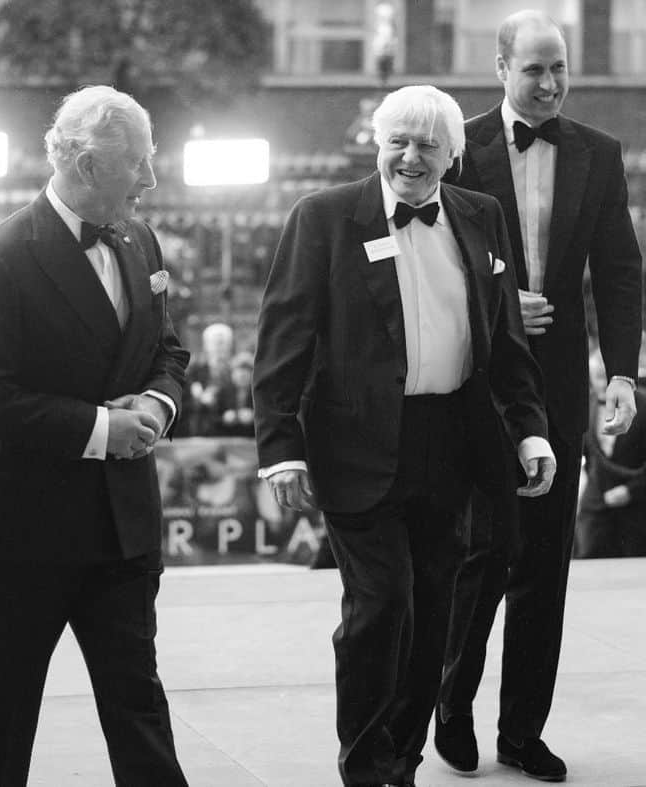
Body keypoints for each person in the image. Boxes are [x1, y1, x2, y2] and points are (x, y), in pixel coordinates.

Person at [252, 85, 555, 787]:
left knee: (434, 609)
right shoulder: (324, 217)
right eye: (398, 142)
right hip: (355, 446)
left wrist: (530, 433)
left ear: (453, 156)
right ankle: (363, 763)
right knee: (382, 603)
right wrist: (280, 449)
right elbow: (283, 344)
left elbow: (504, 344)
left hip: (449, 441)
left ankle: (404, 759)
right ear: (377, 145)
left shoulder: (481, 217)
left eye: (427, 145)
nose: (410, 157)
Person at [0, 85, 190, 786]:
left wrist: (154, 405)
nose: (149, 179)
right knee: (3, 704)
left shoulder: (141, 237)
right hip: (26, 526)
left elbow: (168, 351)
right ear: (85, 165)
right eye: (137, 164)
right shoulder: (1, 255)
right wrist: (98, 428)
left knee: (138, 700)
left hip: (124, 524)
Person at [436, 11, 642, 782]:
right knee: (484, 550)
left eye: (561, 69)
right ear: (500, 67)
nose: (551, 84)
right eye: (535, 70)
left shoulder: (599, 152)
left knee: (546, 563)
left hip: (559, 384)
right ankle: (451, 707)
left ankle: (522, 730)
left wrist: (620, 372)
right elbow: (431, 252)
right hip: (478, 382)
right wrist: (492, 304)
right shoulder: (456, 144)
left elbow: (619, 270)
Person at [576, 350, 646, 557]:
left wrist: (631, 491)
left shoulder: (643, 406)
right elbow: (589, 458)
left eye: (603, 378)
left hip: (637, 510)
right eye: (595, 377)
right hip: (595, 508)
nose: (599, 385)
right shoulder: (585, 406)